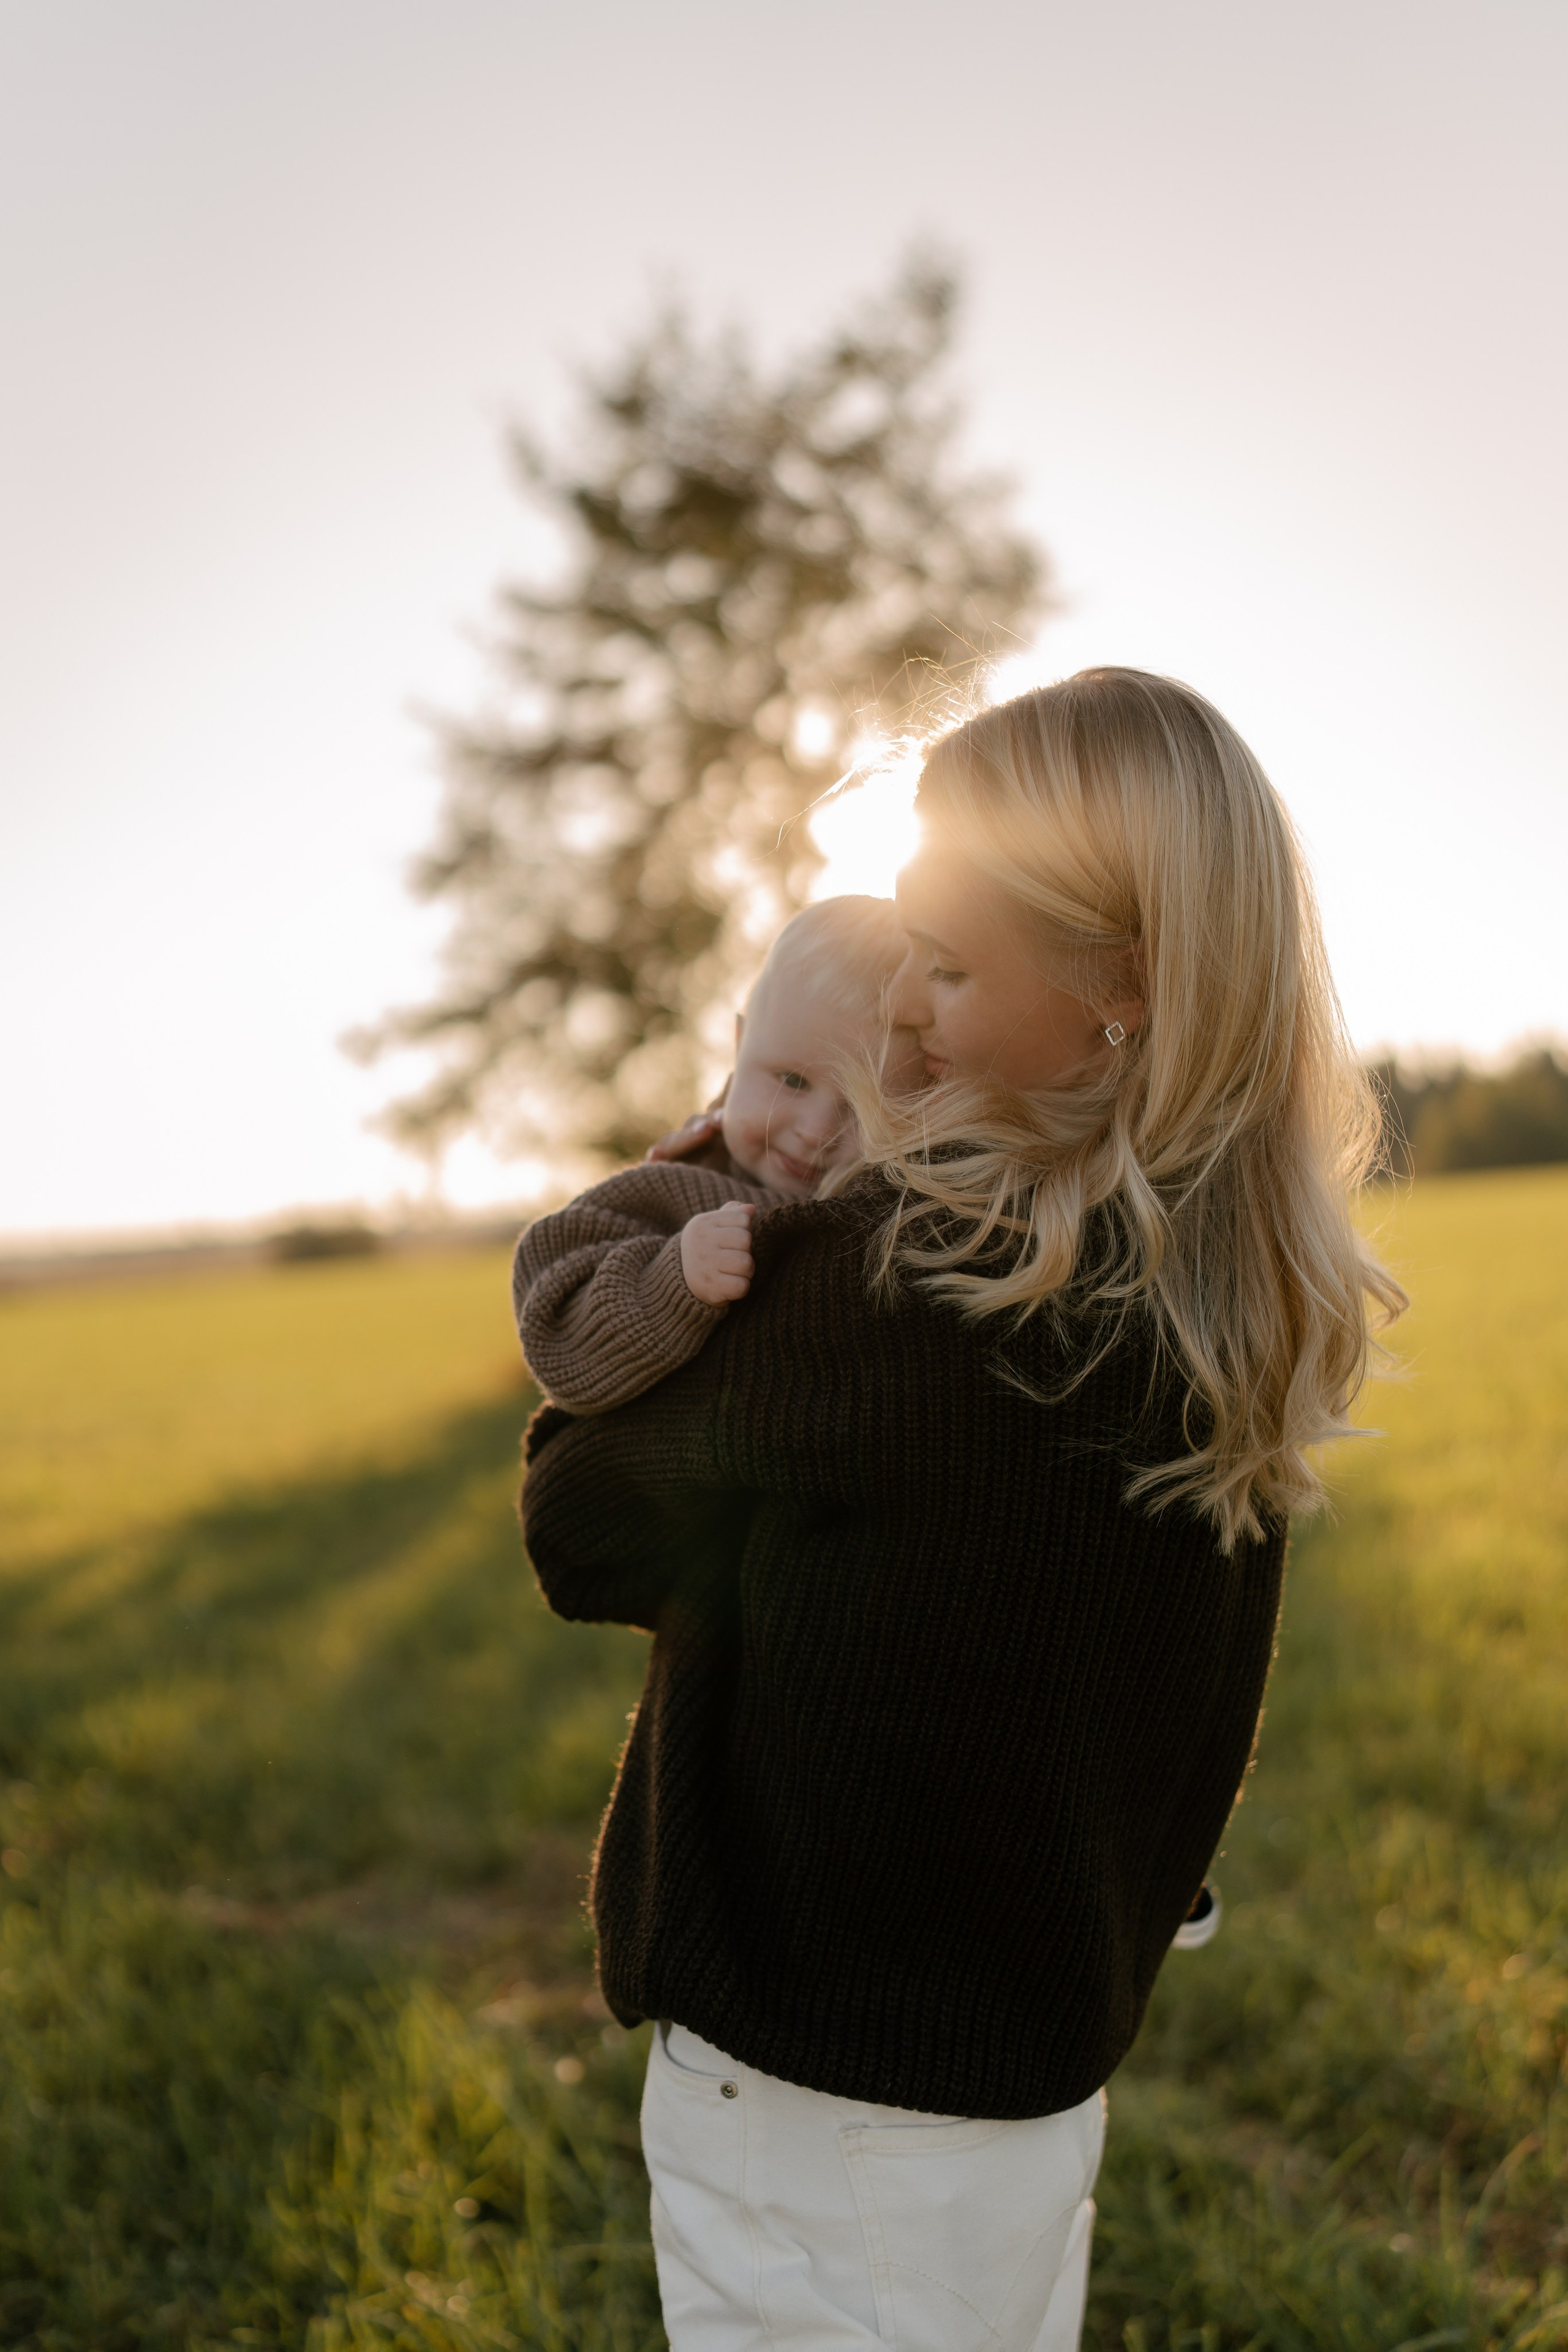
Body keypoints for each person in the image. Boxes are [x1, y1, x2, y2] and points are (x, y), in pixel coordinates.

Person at [518, 669, 1404, 2352]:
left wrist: (682, 1232)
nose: (902, 1012)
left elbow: (580, 1524)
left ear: (1120, 986)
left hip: (812, 2084)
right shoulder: (1224, 1295)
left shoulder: (902, 1287)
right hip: (1028, 2075)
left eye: (948, 965)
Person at [513, 895, 921, 1415]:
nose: (817, 1131)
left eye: (868, 1109)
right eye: (792, 1081)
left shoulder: (897, 1222)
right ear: (738, 1046)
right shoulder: (676, 1188)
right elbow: (559, 1340)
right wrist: (671, 1280)